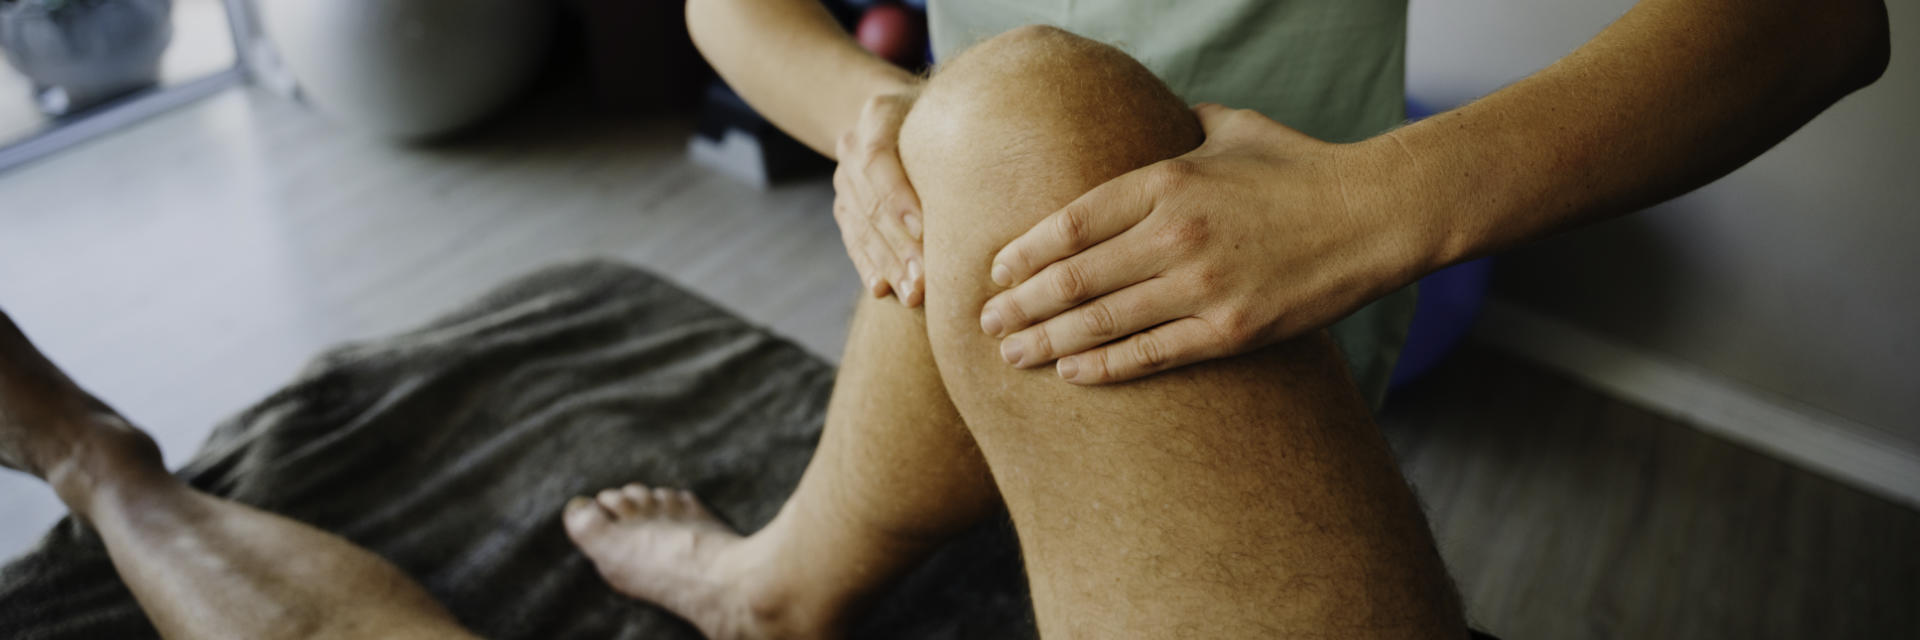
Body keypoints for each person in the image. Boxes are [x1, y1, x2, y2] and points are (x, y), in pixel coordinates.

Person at [0, 2, 1885, 640]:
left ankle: (783, 586)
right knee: (1012, 110)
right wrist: (868, 117)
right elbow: (737, 10)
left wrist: (1370, 204)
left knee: (1029, 110)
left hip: (1292, 285)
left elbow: (1809, 20)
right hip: (985, 241)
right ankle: (790, 579)